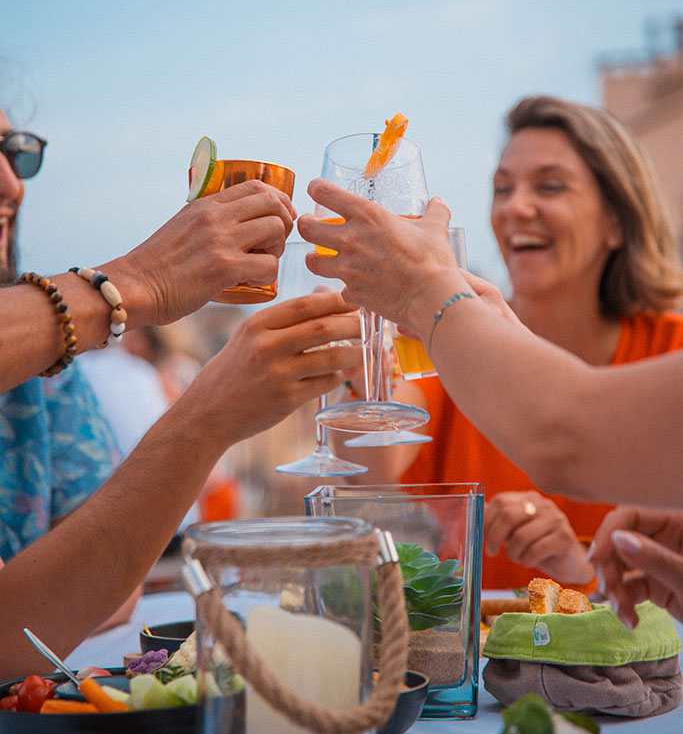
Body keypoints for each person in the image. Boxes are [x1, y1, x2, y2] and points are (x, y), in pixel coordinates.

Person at [326, 97, 683, 590]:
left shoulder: (671, 345)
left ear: (617, 221)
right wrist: (354, 366)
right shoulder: (459, 345)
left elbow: (564, 437)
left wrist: (424, 290)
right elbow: (374, 462)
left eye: (550, 186)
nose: (515, 207)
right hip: (489, 663)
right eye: (501, 189)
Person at [0, 103, 293, 635]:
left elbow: (106, 591)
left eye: (13, 152)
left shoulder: (47, 377)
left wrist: (208, 417)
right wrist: (135, 284)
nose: (11, 185)